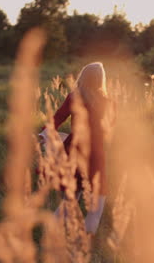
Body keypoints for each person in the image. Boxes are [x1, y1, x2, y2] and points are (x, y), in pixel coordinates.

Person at [40, 62, 113, 234]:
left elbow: (56, 119)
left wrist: (43, 135)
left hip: (74, 151)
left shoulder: (74, 97)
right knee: (97, 202)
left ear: (83, 76)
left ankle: (49, 232)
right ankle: (86, 243)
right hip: (96, 154)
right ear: (101, 80)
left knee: (70, 199)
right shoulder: (108, 103)